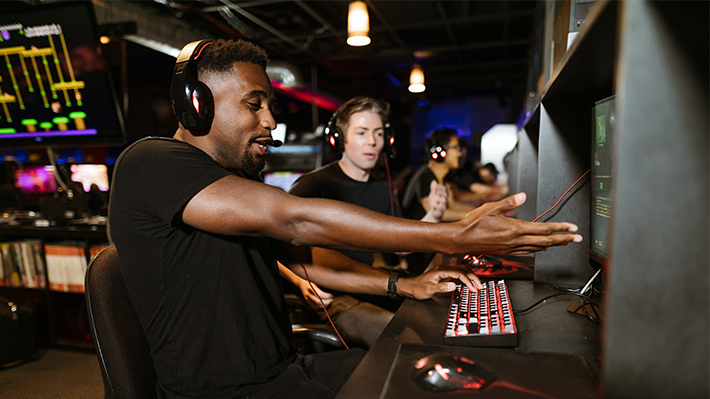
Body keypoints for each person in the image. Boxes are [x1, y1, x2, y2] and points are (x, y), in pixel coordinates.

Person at [108, 38, 582, 399]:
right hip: (232, 393)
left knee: (435, 367)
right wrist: (453, 235)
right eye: (255, 104)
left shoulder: (227, 187)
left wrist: (403, 286)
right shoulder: (149, 162)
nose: (271, 120)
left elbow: (306, 258)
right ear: (197, 104)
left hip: (285, 373)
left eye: (270, 106)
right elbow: (294, 221)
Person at [284, 96, 448, 347]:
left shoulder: (381, 190)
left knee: (437, 320)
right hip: (331, 298)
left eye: (379, 133)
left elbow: (398, 244)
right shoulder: (314, 185)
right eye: (362, 132)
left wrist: (433, 217)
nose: (372, 141)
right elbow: (271, 244)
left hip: (370, 285)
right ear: (339, 139)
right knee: (408, 340)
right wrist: (300, 281)